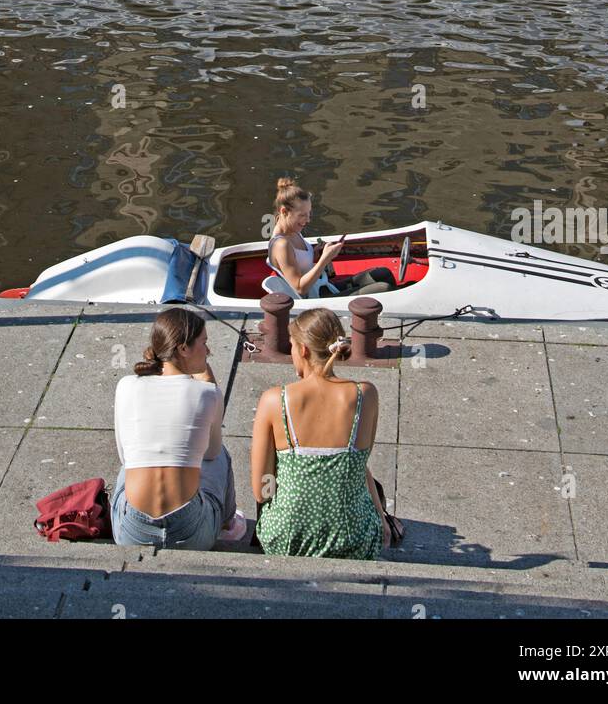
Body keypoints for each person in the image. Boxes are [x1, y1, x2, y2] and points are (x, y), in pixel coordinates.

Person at [251, 308, 390, 559]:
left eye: (292, 346)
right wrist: (380, 517)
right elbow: (361, 461)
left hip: (287, 538)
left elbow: (262, 490)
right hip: (353, 539)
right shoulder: (365, 395)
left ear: (303, 350)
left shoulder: (274, 400)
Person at [111, 307, 246, 549]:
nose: (209, 351)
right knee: (220, 455)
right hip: (192, 534)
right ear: (183, 349)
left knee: (130, 462)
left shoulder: (126, 386)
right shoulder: (207, 393)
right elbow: (211, 454)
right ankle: (227, 524)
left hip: (130, 533)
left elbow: (124, 456)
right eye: (204, 343)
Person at [266, 178, 395, 299]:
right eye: (302, 215)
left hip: (323, 285)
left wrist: (316, 254)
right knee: (384, 288)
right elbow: (300, 288)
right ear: (284, 212)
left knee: (384, 273)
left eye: (309, 213)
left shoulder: (291, 228)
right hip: (319, 298)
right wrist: (324, 259)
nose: (308, 220)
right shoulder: (281, 245)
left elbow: (299, 262)